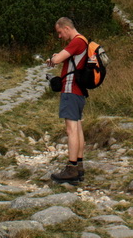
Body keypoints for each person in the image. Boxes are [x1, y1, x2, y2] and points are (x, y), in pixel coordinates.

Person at [45, 16, 89, 183]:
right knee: (77, 127)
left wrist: (53, 59)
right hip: (79, 91)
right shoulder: (83, 41)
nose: (59, 36)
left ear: (66, 28)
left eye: (59, 32)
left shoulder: (76, 41)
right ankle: (79, 165)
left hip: (70, 90)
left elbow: (56, 60)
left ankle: (71, 168)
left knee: (71, 129)